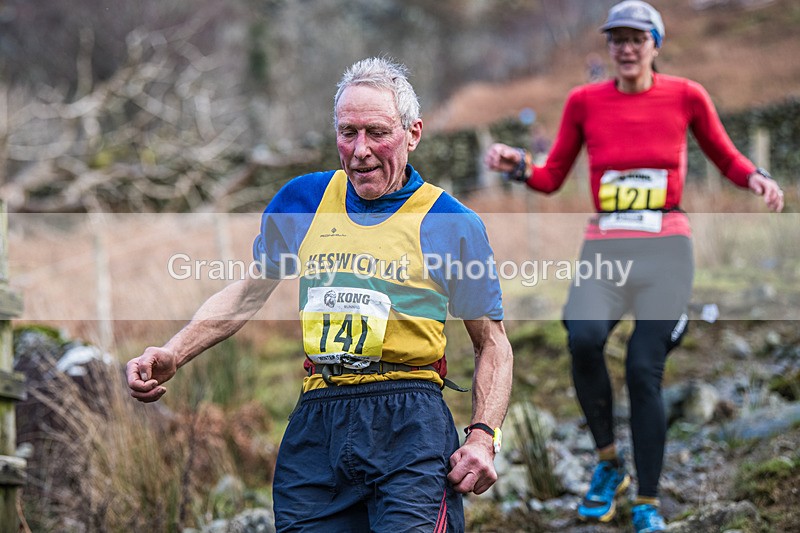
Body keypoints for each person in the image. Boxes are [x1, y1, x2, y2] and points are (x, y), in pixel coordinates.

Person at [127, 57, 513, 532]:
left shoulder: (450, 223)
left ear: (413, 134)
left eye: (377, 132)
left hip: (409, 420)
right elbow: (249, 292)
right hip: (318, 418)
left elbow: (491, 343)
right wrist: (174, 352)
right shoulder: (302, 201)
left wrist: (481, 437)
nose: (360, 150)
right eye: (347, 132)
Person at [483, 1, 784, 532]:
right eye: (616, 38)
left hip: (666, 249)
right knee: (582, 337)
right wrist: (520, 167)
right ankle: (607, 464)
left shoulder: (686, 95)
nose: (625, 48)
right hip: (605, 250)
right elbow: (552, 175)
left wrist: (756, 177)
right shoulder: (584, 102)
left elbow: (725, 154)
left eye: (636, 38)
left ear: (655, 45)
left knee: (644, 369)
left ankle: (647, 500)